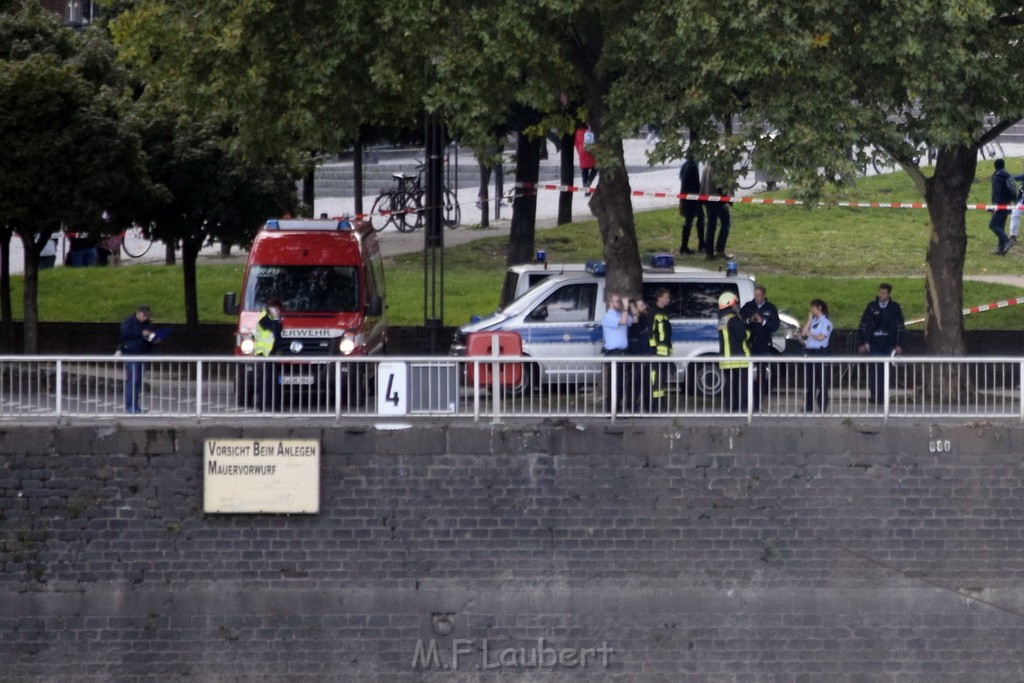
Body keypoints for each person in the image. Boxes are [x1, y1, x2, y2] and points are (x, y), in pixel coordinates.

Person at [857, 283, 905, 405]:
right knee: (874, 369)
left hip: (888, 342)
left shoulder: (894, 308)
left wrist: (899, 344)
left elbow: (900, 327)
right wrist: (862, 342)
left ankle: (883, 395)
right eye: (880, 292)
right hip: (874, 342)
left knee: (885, 369)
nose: (881, 295)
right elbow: (863, 325)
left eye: (884, 293)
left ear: (889, 294)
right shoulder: (871, 307)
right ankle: (874, 394)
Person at [739, 285, 780, 411]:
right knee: (746, 375)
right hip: (749, 344)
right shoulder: (748, 306)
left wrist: (763, 321)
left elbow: (775, 326)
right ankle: (745, 403)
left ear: (763, 295)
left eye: (758, 295)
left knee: (761, 376)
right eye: (755, 295)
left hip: (762, 344)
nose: (756, 298)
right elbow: (739, 320)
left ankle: (757, 404)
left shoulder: (770, 308)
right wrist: (749, 320)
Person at [119, 305, 157, 413]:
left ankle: (135, 405)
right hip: (131, 354)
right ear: (138, 312)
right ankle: (130, 406)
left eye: (147, 316)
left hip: (143, 354)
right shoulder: (128, 321)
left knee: (138, 381)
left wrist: (153, 338)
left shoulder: (147, 323)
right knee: (133, 380)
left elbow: (149, 338)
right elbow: (125, 334)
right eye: (144, 315)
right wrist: (141, 333)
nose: (145, 318)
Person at [717, 291, 750, 412]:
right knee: (742, 386)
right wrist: (749, 332)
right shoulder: (734, 319)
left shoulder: (722, 319)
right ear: (729, 304)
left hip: (726, 359)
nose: (737, 306)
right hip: (738, 358)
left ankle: (730, 407)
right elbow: (742, 335)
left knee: (730, 386)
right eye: (735, 303)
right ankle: (743, 408)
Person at [802, 299, 833, 413]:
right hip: (810, 352)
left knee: (822, 381)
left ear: (819, 308)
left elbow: (821, 337)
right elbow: (803, 332)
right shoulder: (813, 321)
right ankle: (808, 406)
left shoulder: (826, 323)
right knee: (810, 381)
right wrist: (809, 319)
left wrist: (810, 334)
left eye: (813, 308)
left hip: (820, 353)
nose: (811, 310)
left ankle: (822, 406)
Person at [253, 298, 284, 410]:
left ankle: (275, 405)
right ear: (270, 308)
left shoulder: (275, 319)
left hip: (273, 354)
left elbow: (278, 337)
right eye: (277, 309)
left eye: (279, 309)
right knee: (265, 380)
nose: (279, 311)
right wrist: (276, 320)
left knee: (274, 380)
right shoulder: (264, 317)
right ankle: (262, 405)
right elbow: (274, 331)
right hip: (263, 354)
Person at [602, 292, 630, 410]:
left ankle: (617, 407)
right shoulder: (608, 316)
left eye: (620, 301)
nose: (619, 303)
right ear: (610, 303)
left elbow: (632, 321)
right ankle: (611, 408)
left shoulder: (621, 314)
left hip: (623, 352)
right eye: (617, 301)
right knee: (614, 383)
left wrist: (630, 307)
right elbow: (623, 322)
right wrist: (625, 307)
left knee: (621, 383)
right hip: (614, 352)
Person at [626, 298, 653, 411]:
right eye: (641, 306)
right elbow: (635, 332)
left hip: (645, 355)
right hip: (636, 355)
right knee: (635, 383)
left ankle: (647, 406)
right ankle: (632, 406)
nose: (644, 307)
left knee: (647, 383)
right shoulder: (634, 321)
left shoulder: (645, 319)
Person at [649, 288, 673, 412]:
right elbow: (650, 333)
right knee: (655, 381)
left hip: (664, 353)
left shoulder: (665, 313)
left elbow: (667, 334)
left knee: (662, 381)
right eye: (666, 297)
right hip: (656, 353)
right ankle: (654, 406)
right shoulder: (653, 312)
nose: (668, 300)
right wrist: (653, 350)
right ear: (659, 298)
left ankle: (661, 405)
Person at [700, 163, 732, 260]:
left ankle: (709, 253)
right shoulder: (718, 166)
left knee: (711, 226)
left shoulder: (707, 165)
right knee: (726, 223)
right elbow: (720, 186)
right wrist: (725, 201)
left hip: (707, 198)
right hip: (717, 199)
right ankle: (720, 250)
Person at [989, 159, 1017, 255]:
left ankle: (1007, 240)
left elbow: (997, 192)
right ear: (1003, 165)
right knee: (1000, 226)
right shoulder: (1007, 175)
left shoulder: (997, 177)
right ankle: (1001, 249)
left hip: (1000, 204)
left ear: (995, 166)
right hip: (1007, 204)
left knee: (993, 225)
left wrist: (994, 206)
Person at [678, 157, 705, 255]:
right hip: (692, 198)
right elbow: (695, 184)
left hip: (688, 198)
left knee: (695, 219)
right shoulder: (692, 167)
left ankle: (689, 245)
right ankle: (687, 246)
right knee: (694, 220)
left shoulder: (685, 166)